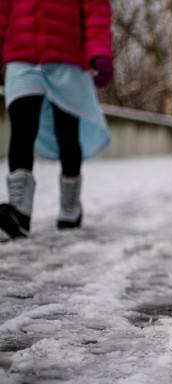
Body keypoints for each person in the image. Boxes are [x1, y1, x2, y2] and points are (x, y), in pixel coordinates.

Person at [0, 0, 113, 241]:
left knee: (67, 133)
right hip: (21, 58)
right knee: (22, 128)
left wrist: (100, 52)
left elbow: (96, 11)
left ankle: (70, 205)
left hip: (67, 60)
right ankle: (19, 211)